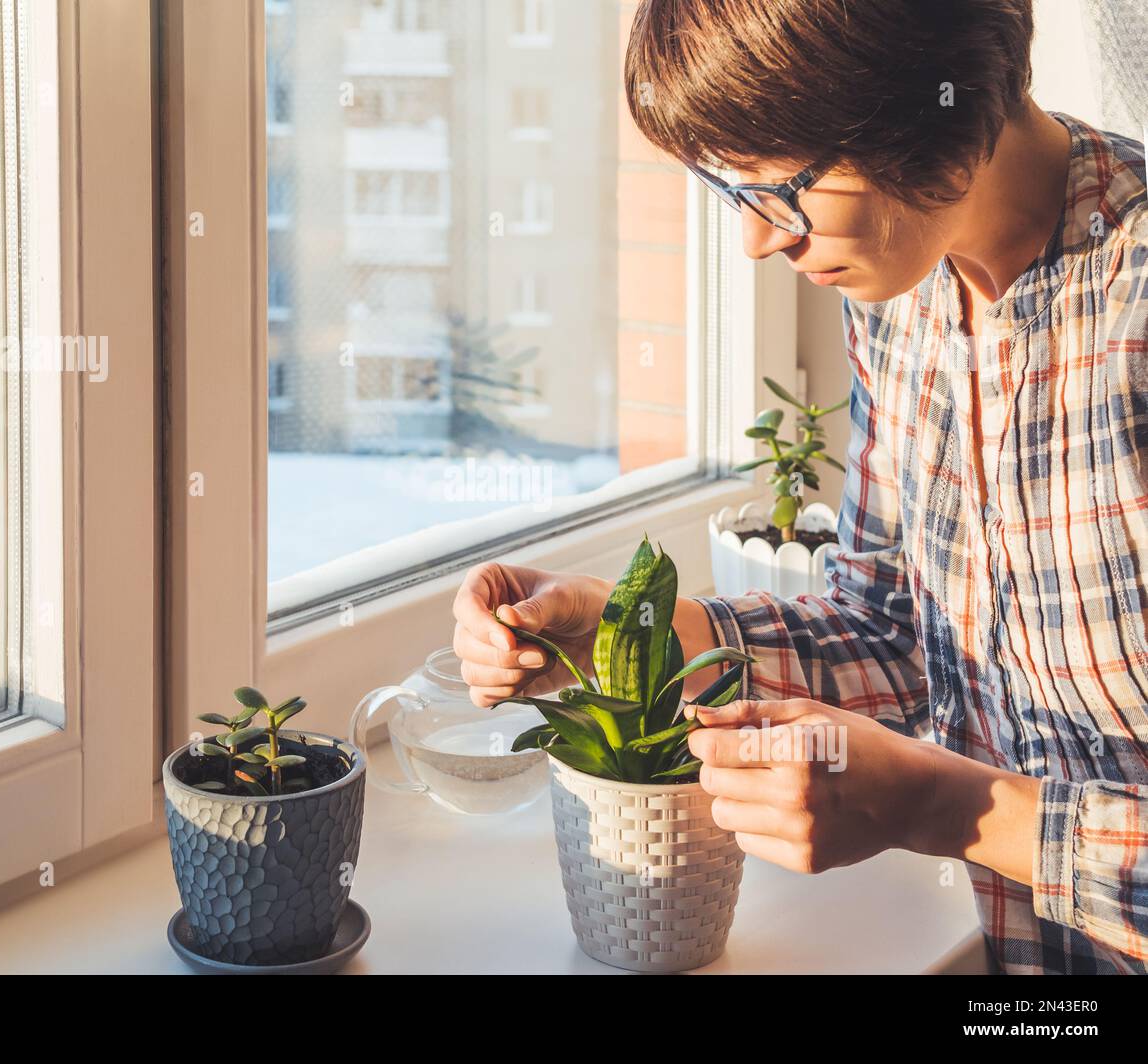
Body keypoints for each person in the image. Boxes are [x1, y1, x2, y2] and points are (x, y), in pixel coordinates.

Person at [451, 0, 1148, 975]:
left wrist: (936, 805)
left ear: (924, 108)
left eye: (780, 187)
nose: (754, 241)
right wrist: (630, 632)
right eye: (729, 187)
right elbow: (896, 634)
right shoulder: (906, 304)